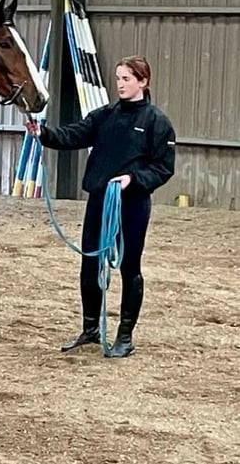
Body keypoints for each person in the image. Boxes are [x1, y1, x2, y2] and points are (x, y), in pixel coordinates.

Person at [25, 56, 176, 358]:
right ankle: (90, 328)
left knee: (129, 267)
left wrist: (132, 180)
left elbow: (163, 168)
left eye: (126, 79)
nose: (119, 84)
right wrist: (44, 134)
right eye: (118, 78)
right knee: (90, 265)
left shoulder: (157, 123)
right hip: (99, 201)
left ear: (143, 82)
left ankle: (125, 336)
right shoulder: (104, 115)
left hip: (131, 204)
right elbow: (74, 134)